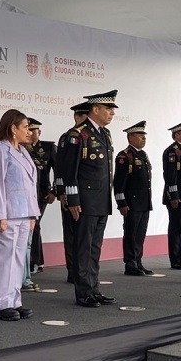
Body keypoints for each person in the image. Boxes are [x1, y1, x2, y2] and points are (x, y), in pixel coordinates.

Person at [57, 91, 118, 308]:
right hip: (84, 202)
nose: (112, 113)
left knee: (94, 248)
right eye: (108, 109)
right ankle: (83, 292)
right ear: (95, 110)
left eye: (112, 109)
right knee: (83, 247)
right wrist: (72, 201)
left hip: (100, 200)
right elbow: (69, 171)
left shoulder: (105, 134)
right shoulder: (78, 135)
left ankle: (94, 289)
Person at [0, 110, 40, 321]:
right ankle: (3, 304)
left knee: (18, 260)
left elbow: (30, 186)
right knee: (5, 260)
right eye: (25, 127)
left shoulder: (23, 151)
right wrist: (1, 215)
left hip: (24, 214)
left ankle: (15, 301)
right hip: (6, 214)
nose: (29, 131)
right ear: (13, 128)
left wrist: (33, 214)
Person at [114, 121, 153, 276]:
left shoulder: (143, 155)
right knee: (131, 234)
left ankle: (138, 261)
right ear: (130, 138)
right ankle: (130, 263)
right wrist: (121, 203)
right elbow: (118, 183)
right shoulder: (124, 156)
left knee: (140, 234)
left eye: (144, 135)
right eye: (140, 135)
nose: (144, 138)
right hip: (131, 202)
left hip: (144, 202)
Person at [57, 102, 90, 284]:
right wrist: (63, 193)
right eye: (84, 116)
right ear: (77, 117)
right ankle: (73, 270)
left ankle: (84, 270)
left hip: (88, 195)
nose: (87, 120)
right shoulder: (68, 137)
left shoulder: (94, 135)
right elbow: (63, 168)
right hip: (70, 194)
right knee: (71, 234)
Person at [162, 119, 181, 269]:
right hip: (177, 196)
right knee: (176, 227)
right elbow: (170, 175)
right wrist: (174, 195)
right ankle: (176, 259)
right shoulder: (172, 151)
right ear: (177, 135)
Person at [27, 118, 56, 274]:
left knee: (35, 224)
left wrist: (54, 192)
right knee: (27, 226)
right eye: (28, 130)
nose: (31, 134)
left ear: (40, 132)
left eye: (34, 131)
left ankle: (35, 261)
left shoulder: (48, 148)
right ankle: (28, 260)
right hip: (24, 195)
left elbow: (59, 171)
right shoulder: (20, 147)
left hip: (42, 194)